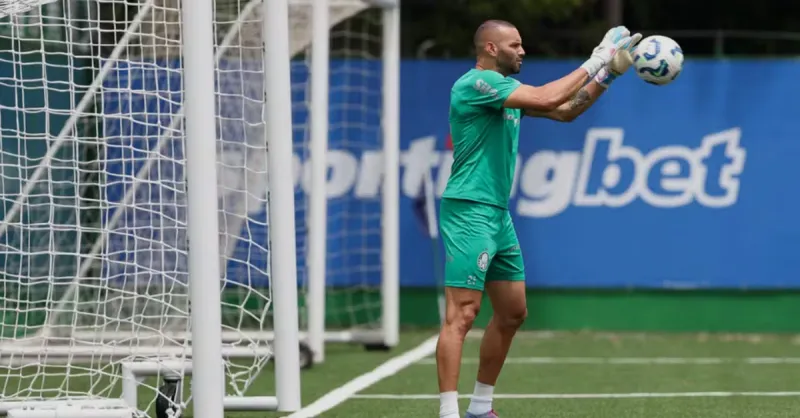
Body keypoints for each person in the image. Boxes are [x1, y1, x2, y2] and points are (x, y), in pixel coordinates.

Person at [436, 20, 642, 418]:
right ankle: (448, 412)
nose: (523, 51)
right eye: (515, 44)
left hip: (496, 214)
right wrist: (596, 58)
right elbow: (548, 98)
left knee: (513, 312)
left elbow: (565, 111)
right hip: (468, 211)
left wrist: (609, 75)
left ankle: (480, 408)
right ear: (492, 49)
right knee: (461, 315)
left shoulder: (505, 93)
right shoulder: (476, 84)